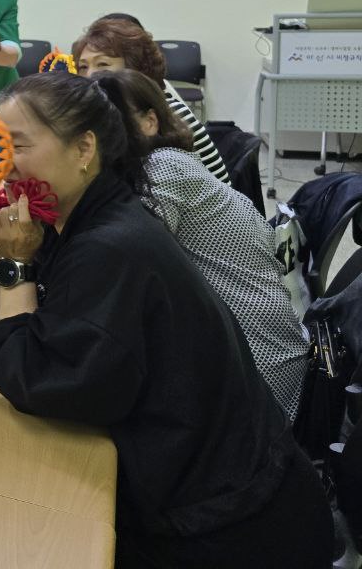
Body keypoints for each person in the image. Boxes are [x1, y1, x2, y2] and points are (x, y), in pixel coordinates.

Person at [0, 73, 332, 568]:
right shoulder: (75, 219)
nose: (1, 164)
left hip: (227, 528)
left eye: (15, 145)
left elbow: (36, 379)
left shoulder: (111, 246)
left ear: (84, 148)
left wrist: (16, 266)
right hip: (202, 489)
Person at [91, 68, 309, 422]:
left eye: (110, 122)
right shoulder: (173, 160)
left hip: (256, 374)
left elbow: (125, 267)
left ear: (149, 122)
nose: (96, 137)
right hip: (259, 346)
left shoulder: (161, 170)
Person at [73, 15, 230, 184]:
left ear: (134, 67)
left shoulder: (166, 112)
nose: (89, 75)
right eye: (83, 67)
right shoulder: (115, 110)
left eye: (102, 64)